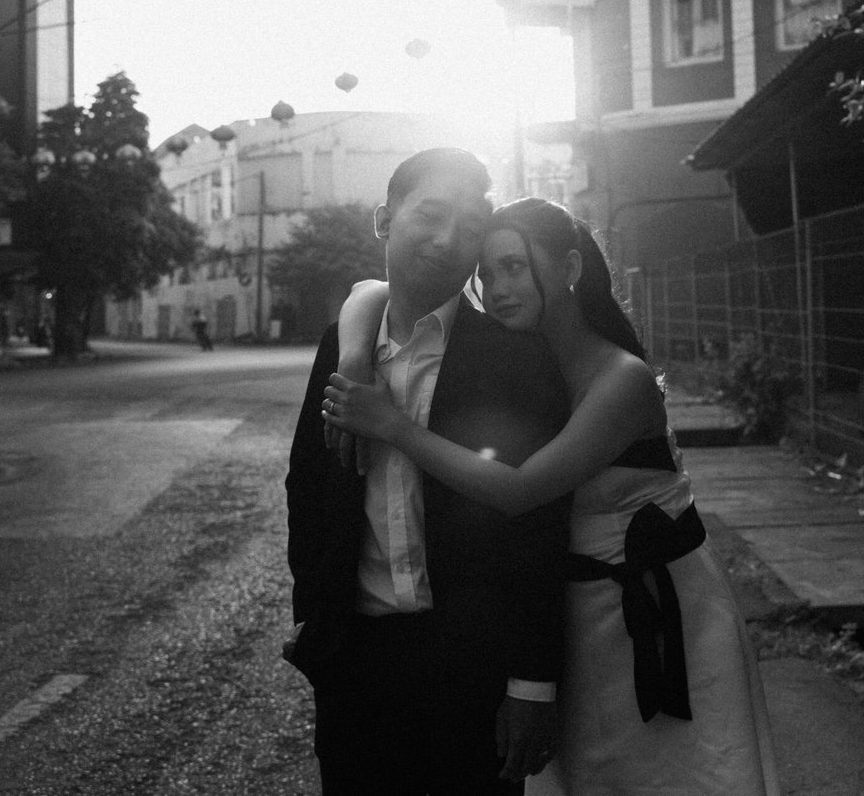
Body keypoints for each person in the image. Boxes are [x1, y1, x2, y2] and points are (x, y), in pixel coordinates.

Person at [325, 197, 780, 795]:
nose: (498, 289)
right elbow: (368, 291)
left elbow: (520, 492)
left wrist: (395, 427)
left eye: (514, 267)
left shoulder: (622, 380)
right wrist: (354, 356)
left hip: (659, 616)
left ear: (568, 268)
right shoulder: (528, 365)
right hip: (577, 615)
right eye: (487, 273)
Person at [285, 150, 573, 795]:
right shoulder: (343, 345)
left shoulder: (513, 356)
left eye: (470, 228)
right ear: (385, 220)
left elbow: (539, 522)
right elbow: (308, 484)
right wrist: (314, 617)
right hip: (355, 662)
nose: (447, 241)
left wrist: (532, 681)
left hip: (474, 666)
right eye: (430, 215)